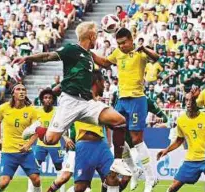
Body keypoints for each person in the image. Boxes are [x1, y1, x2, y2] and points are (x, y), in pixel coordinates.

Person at [11, 22, 130, 176]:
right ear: (91, 36)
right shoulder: (71, 49)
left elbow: (107, 63)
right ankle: (37, 128)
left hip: (87, 103)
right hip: (69, 101)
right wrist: (28, 58)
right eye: (96, 35)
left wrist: (123, 48)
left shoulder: (90, 55)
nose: (97, 39)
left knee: (119, 121)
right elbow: (48, 56)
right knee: (50, 140)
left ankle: (118, 162)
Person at [49, 71, 122, 192]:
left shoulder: (101, 104)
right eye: (103, 82)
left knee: (113, 180)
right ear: (96, 81)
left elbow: (112, 125)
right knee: (80, 188)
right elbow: (54, 92)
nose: (105, 85)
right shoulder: (77, 99)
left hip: (101, 146)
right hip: (84, 146)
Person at [92, 27, 160, 192]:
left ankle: (151, 177)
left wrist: (143, 48)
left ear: (131, 39)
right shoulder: (117, 53)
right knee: (117, 136)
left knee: (137, 139)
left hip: (137, 99)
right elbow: (105, 63)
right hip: (122, 99)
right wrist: (89, 53)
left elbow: (156, 58)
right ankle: (134, 170)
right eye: (119, 44)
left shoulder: (139, 53)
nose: (121, 46)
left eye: (124, 43)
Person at [0, 83, 42, 192]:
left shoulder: (31, 110)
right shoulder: (4, 108)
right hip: (8, 152)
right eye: (18, 89)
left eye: (24, 89)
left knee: (36, 179)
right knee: (4, 182)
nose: (21, 91)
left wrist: (28, 145)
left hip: (26, 152)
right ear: (13, 93)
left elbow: (38, 131)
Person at [21, 88, 66, 192]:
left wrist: (66, 138)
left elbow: (62, 127)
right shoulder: (37, 112)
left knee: (59, 168)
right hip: (41, 144)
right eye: (45, 98)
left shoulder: (57, 112)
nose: (48, 100)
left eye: (50, 98)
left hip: (55, 144)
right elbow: (34, 128)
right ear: (41, 99)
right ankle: (29, 191)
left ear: (53, 100)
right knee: (34, 167)